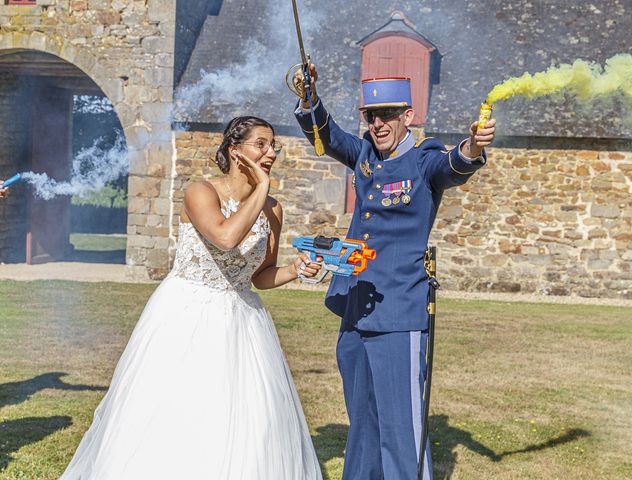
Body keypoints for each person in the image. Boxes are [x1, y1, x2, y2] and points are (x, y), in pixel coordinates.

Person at [61, 116, 324, 480]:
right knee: (177, 408)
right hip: (187, 312)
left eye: (273, 145)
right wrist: (262, 186)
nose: (272, 153)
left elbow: (260, 275)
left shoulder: (273, 209)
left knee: (252, 415)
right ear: (236, 152)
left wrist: (296, 269)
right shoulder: (200, 192)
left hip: (243, 320)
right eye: (261, 144)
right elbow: (226, 237)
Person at [293, 69, 496, 479]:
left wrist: (473, 146)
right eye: (370, 116)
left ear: (408, 115)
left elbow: (453, 166)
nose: (378, 124)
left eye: (387, 114)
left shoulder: (424, 159)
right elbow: (327, 135)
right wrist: (309, 95)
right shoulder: (364, 153)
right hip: (355, 309)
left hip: (399, 310)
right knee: (363, 423)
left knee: (401, 428)